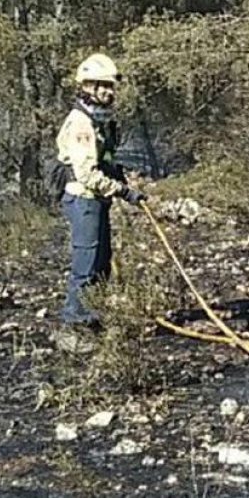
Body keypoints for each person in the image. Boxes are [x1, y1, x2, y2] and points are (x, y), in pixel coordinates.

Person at [54, 53, 147, 330]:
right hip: (83, 199)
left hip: (96, 199)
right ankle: (73, 325)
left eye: (110, 87)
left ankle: (95, 318)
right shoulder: (81, 123)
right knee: (86, 263)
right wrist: (122, 191)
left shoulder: (100, 120)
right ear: (87, 87)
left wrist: (116, 174)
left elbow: (103, 160)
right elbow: (86, 173)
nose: (108, 92)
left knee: (102, 263)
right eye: (101, 86)